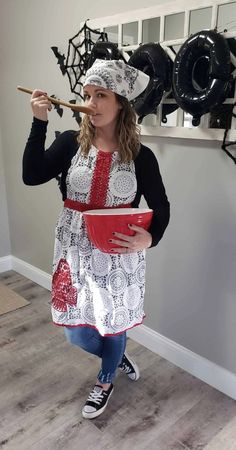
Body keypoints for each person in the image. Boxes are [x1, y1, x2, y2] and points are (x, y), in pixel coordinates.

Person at [22, 59, 170, 419]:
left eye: (101, 95)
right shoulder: (71, 144)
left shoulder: (141, 156)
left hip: (118, 256)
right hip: (72, 252)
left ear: (122, 104)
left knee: (113, 322)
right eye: (87, 95)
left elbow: (161, 206)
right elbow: (31, 175)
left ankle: (106, 379)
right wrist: (39, 123)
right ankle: (115, 356)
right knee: (76, 332)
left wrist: (148, 239)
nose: (90, 104)